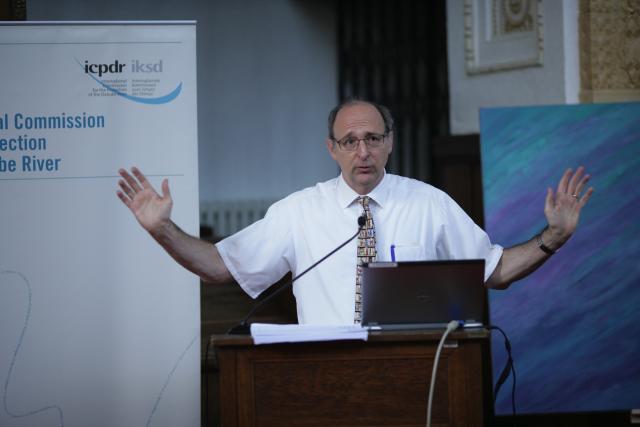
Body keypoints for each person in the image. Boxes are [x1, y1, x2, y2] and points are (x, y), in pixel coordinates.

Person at [116, 99, 593, 324]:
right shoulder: (299, 211)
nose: (361, 151)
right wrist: (163, 230)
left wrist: (553, 237)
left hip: (417, 371)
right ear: (332, 149)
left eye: (372, 139)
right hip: (327, 376)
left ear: (389, 144)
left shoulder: (430, 204)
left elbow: (495, 271)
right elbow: (220, 266)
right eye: (350, 141)